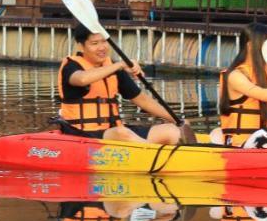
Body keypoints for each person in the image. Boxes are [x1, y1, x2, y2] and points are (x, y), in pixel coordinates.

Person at [58, 24, 186, 143]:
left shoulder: (113, 68)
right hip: (81, 133)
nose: (102, 47)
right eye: (94, 43)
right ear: (81, 46)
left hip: (112, 130)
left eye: (104, 41)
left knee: (173, 131)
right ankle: (152, 155)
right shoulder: (71, 66)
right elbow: (82, 79)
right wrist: (120, 64)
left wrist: (177, 120)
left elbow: (143, 100)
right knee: (122, 133)